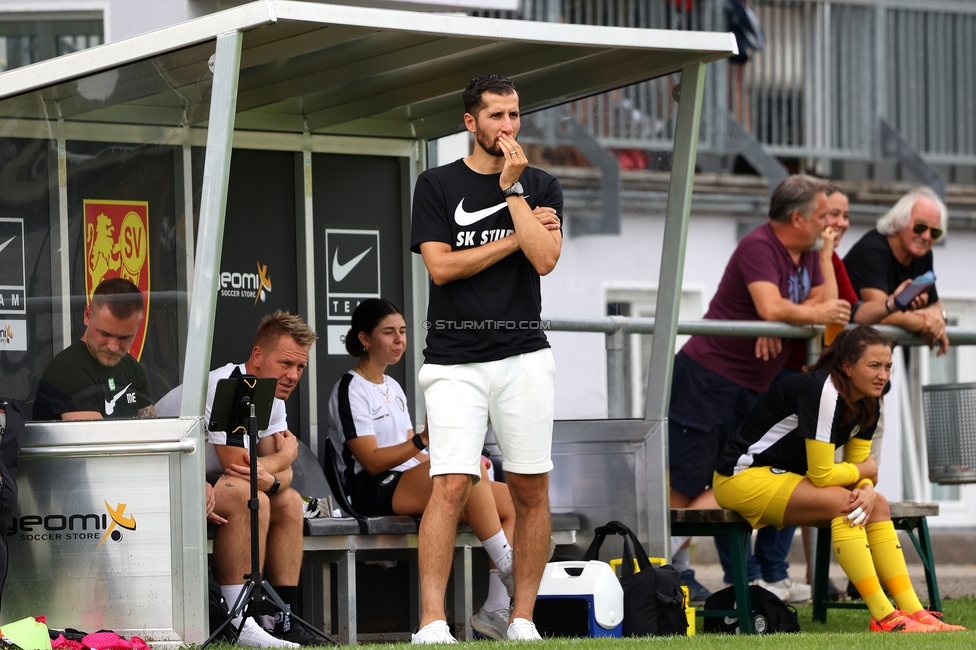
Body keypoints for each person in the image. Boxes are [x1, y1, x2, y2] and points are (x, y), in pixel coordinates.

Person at [409, 73, 563, 643]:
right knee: (449, 482)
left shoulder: (540, 185)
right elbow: (442, 267)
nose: (508, 126)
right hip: (452, 359)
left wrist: (514, 191)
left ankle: (522, 619)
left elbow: (545, 260)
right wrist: (515, 239)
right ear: (469, 122)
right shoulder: (436, 183)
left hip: (524, 356)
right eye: (496, 116)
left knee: (531, 489)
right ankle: (432, 621)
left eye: (515, 115)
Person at [667, 175, 851, 604]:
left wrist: (787, 316)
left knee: (729, 480)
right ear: (797, 217)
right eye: (823, 216)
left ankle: (727, 577)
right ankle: (670, 574)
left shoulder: (806, 253)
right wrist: (783, 317)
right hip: (708, 379)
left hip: (752, 386)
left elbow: (831, 309)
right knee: (687, 483)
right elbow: (773, 306)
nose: (831, 224)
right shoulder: (759, 245)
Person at [713, 326, 965, 633]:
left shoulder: (870, 400)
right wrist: (863, 476)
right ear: (846, 366)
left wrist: (868, 489)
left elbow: (860, 467)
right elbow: (824, 475)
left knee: (878, 506)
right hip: (740, 478)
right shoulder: (825, 391)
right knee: (846, 505)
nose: (882, 375)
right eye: (873, 366)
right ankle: (886, 618)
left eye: (887, 367)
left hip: (785, 479)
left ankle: (913, 611)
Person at [327, 299, 517, 640]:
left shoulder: (395, 386)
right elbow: (370, 460)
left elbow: (411, 453)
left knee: (508, 499)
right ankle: (508, 563)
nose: (399, 340)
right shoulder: (350, 387)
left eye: (402, 331)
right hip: (369, 488)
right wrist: (426, 440)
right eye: (388, 332)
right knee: (466, 468)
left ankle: (496, 607)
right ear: (365, 338)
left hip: (402, 481)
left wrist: (448, 455)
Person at [155, 311, 319, 648]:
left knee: (288, 501)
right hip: (162, 481)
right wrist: (286, 457)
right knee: (243, 491)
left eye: (299, 367)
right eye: (285, 363)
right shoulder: (228, 384)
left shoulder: (273, 394)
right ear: (258, 356)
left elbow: (277, 476)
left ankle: (281, 617)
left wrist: (276, 479)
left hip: (210, 483)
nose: (292, 375)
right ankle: (240, 619)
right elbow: (237, 466)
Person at [844, 187, 950, 355]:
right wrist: (926, 323)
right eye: (920, 227)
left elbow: (935, 304)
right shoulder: (871, 251)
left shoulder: (923, 254)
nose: (926, 237)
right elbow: (884, 314)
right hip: (844, 354)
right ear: (898, 221)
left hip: (883, 354)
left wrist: (939, 317)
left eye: (935, 231)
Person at [33, 277, 155, 420]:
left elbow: (152, 433)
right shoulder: (68, 370)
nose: (113, 347)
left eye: (124, 338)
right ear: (87, 316)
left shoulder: (133, 368)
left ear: (138, 326)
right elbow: (94, 440)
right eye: (104, 334)